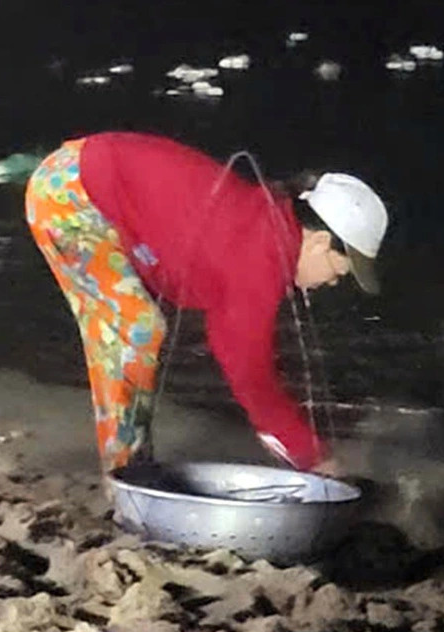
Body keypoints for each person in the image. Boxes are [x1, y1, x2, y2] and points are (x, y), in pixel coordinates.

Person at [22, 131, 387, 475]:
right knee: (136, 328)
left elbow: (231, 340)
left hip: (78, 175)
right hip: (69, 195)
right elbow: (249, 375)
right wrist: (311, 458)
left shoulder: (268, 227)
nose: (332, 283)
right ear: (321, 242)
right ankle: (124, 474)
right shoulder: (258, 262)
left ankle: (131, 464)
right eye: (339, 271)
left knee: (138, 325)